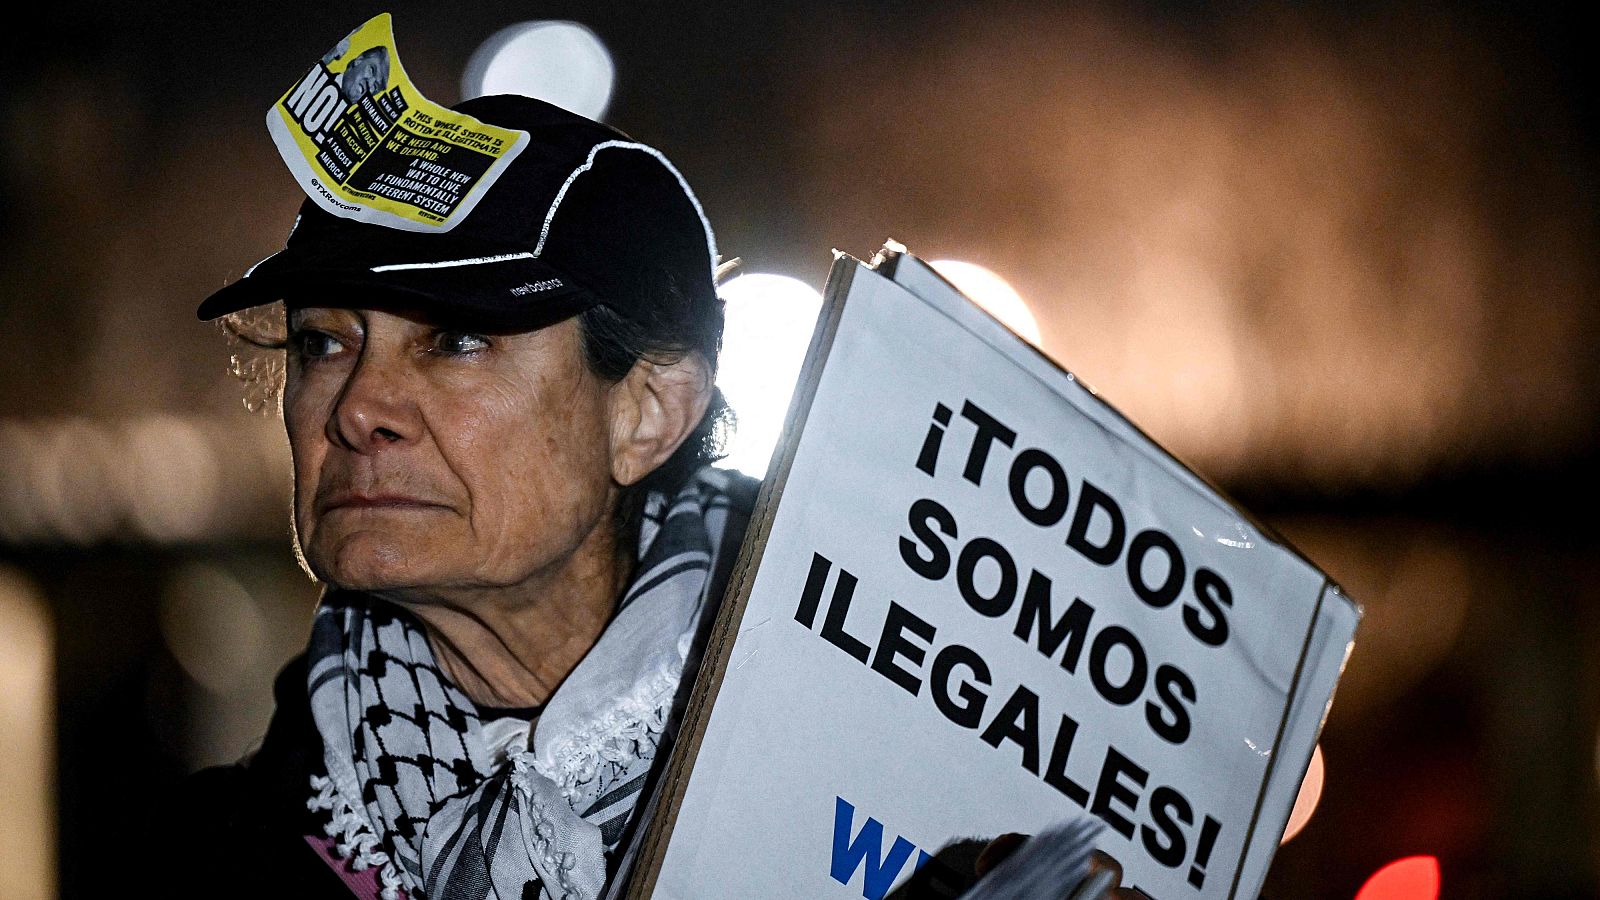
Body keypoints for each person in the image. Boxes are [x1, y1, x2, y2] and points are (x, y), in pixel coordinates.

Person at [170, 94, 757, 900]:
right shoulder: (218, 861)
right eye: (323, 343)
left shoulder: (857, 733)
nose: (357, 409)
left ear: (648, 413)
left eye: (457, 339)